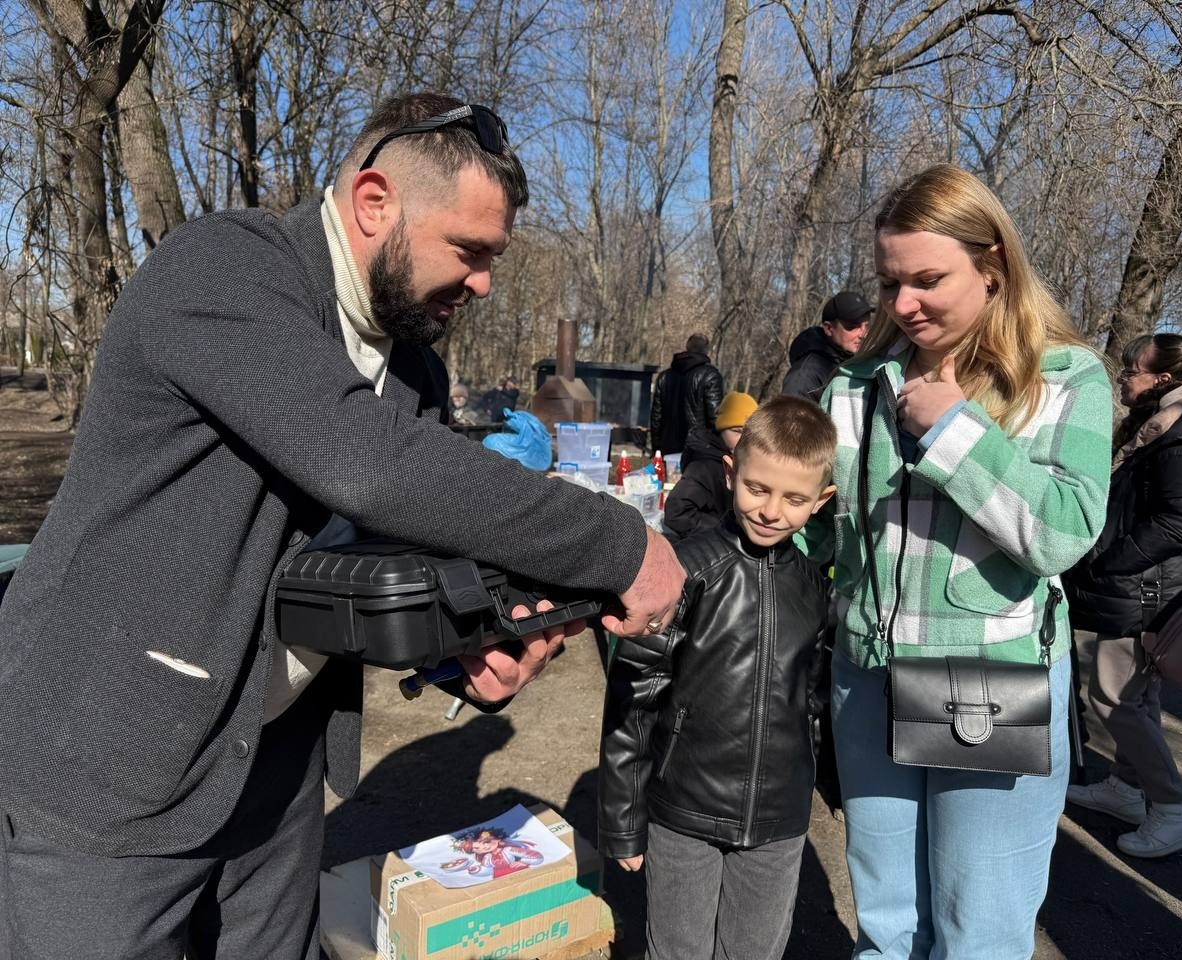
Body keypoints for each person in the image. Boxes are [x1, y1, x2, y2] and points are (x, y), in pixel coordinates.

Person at [0, 92, 684, 960]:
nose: (482, 283)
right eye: (468, 252)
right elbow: (368, 466)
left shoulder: (414, 370)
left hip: (274, 768)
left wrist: (462, 659)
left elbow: (398, 552)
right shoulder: (223, 269)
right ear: (373, 202)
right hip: (109, 758)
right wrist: (624, 544)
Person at [797, 163, 1112, 959]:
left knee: (979, 931)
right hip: (866, 676)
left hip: (989, 677)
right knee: (887, 920)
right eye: (889, 280)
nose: (901, 304)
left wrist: (954, 430)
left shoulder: (1067, 379)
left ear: (993, 268)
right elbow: (821, 536)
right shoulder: (858, 382)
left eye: (927, 279)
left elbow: (1063, 532)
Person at [599, 395, 837, 960]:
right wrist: (624, 818)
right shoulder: (686, 571)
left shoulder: (813, 588)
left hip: (778, 821)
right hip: (685, 809)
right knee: (678, 951)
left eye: (795, 498)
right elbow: (635, 694)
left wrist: (822, 778)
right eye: (758, 488)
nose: (772, 511)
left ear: (821, 501)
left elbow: (814, 699)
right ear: (731, 474)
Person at [1064, 333, 1182, 858]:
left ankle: (1173, 809)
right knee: (1138, 698)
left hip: (1147, 590)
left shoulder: (1181, 435)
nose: (1122, 377)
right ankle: (1126, 788)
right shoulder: (1167, 427)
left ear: (1162, 380)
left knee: (1114, 697)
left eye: (1131, 370)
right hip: (1151, 588)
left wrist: (1108, 560)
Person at [661, 390, 756, 539]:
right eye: (737, 431)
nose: (744, 439)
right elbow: (677, 511)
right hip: (711, 549)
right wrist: (726, 531)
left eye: (749, 433)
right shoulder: (704, 464)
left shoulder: (742, 457)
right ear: (721, 429)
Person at [782, 290, 874, 400]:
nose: (863, 334)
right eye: (852, 326)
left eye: (867, 326)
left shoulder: (862, 364)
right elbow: (791, 416)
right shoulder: (804, 377)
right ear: (829, 328)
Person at [649, 332, 724, 456]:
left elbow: (656, 417)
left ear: (687, 347)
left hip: (668, 449)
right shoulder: (710, 376)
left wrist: (656, 449)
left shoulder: (664, 377)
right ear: (706, 351)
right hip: (699, 450)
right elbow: (715, 418)